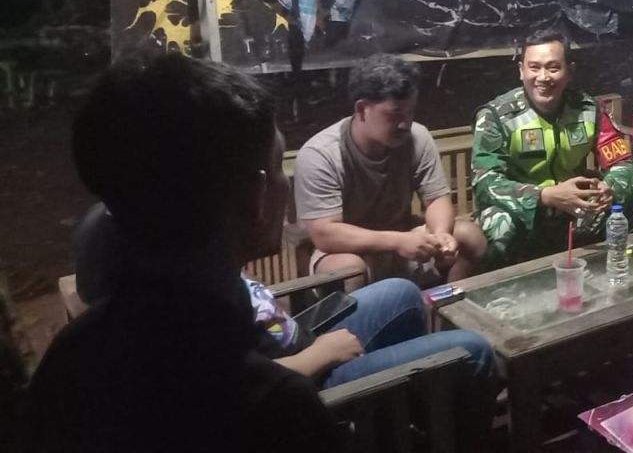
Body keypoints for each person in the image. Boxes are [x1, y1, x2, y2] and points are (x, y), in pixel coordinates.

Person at [22, 54, 337, 453]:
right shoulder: (273, 407)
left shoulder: (67, 359)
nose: (284, 185)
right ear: (255, 199)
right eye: (277, 169)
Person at [70, 204, 498, 446]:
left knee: (401, 294)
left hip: (294, 340)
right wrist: (320, 355)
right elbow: (227, 390)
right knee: (473, 349)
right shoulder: (174, 318)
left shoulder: (187, 275)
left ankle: (397, 421)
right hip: (304, 380)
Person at [295, 54, 486, 287]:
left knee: (468, 236)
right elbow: (325, 234)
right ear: (362, 109)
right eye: (394, 115)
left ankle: (449, 305)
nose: (404, 124)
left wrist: (441, 235)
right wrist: (396, 241)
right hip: (349, 250)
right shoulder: (321, 154)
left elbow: (436, 198)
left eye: (410, 113)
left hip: (405, 238)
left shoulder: (418, 137)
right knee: (347, 269)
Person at [472, 31, 633, 266]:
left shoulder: (588, 109)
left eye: (553, 68)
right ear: (521, 70)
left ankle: (621, 276)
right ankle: (503, 288)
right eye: (534, 67)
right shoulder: (496, 116)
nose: (543, 77)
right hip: (523, 213)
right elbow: (485, 183)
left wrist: (608, 187)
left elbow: (622, 161)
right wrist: (545, 196)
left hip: (575, 208)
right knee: (501, 223)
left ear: (569, 71)